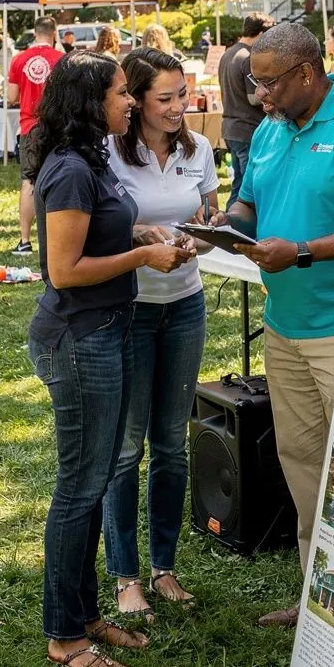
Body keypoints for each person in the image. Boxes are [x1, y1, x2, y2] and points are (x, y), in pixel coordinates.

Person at [217, 24, 334, 628]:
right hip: (285, 325)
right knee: (303, 461)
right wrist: (224, 223)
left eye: (268, 83)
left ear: (307, 73)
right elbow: (250, 202)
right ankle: (322, 600)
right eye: (254, 83)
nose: (259, 95)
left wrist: (303, 251)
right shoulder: (271, 130)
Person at [28, 52, 193, 667]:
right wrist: (141, 259)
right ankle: (65, 637)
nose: (131, 101)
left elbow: (99, 232)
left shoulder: (93, 158)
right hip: (79, 340)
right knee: (79, 487)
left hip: (105, 332)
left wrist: (138, 234)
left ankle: (86, 615)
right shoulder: (70, 169)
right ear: (91, 101)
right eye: (122, 92)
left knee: (93, 482)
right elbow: (64, 271)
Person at [104, 49, 218, 619]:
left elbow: (211, 215)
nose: (178, 108)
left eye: (183, 96)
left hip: (186, 306)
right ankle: (125, 576)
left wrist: (205, 233)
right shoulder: (109, 152)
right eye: (165, 99)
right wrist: (138, 234)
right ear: (136, 100)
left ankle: (164, 567)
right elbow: (98, 225)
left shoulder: (200, 150)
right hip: (132, 309)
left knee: (172, 444)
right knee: (127, 447)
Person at [7, 16, 64, 256]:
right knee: (59, 180)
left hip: (29, 126)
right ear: (54, 33)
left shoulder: (19, 59)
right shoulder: (61, 59)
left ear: (34, 32)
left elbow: (11, 97)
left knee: (29, 181)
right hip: (56, 126)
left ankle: (25, 240)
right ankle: (56, 237)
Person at [218, 12, 273, 207]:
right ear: (261, 33)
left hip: (230, 128)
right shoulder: (248, 57)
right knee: (249, 191)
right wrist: (273, 91)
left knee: (238, 185)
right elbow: (253, 97)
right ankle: (236, 222)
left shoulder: (228, 54)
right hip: (247, 128)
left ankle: (229, 221)